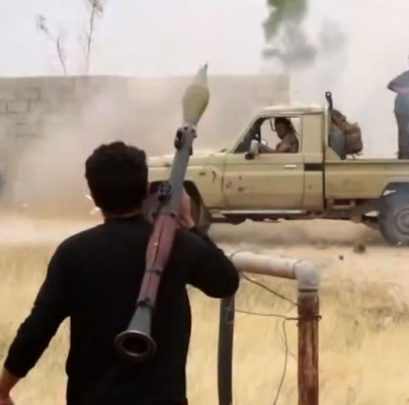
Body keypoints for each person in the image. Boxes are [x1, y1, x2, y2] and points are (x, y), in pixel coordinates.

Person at [0, 141, 240, 405]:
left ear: (94, 194)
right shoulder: (177, 245)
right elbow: (225, 282)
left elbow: (38, 328)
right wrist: (190, 224)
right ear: (145, 190)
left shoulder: (74, 252)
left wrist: (4, 388)